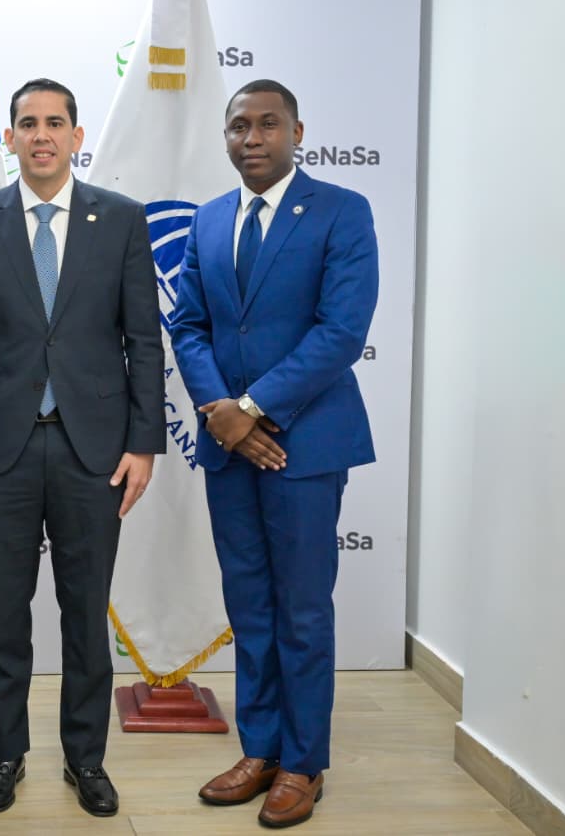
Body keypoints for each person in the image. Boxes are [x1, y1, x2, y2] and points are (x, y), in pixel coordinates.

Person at [0, 78, 166, 818]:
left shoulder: (121, 219)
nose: (41, 135)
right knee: (5, 616)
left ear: (76, 135)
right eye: (28, 123)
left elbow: (144, 341)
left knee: (84, 613)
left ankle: (85, 758)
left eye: (55, 123)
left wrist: (145, 444)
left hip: (93, 451)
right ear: (9, 138)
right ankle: (6, 753)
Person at [170, 79, 378, 829]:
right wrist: (222, 415)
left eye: (267, 124)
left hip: (306, 446)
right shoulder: (209, 218)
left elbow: (341, 330)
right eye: (238, 126)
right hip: (230, 449)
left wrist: (251, 408)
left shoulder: (342, 211)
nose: (251, 138)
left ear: (297, 132)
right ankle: (259, 749)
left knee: (301, 610)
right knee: (250, 606)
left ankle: (302, 762)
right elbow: (188, 326)